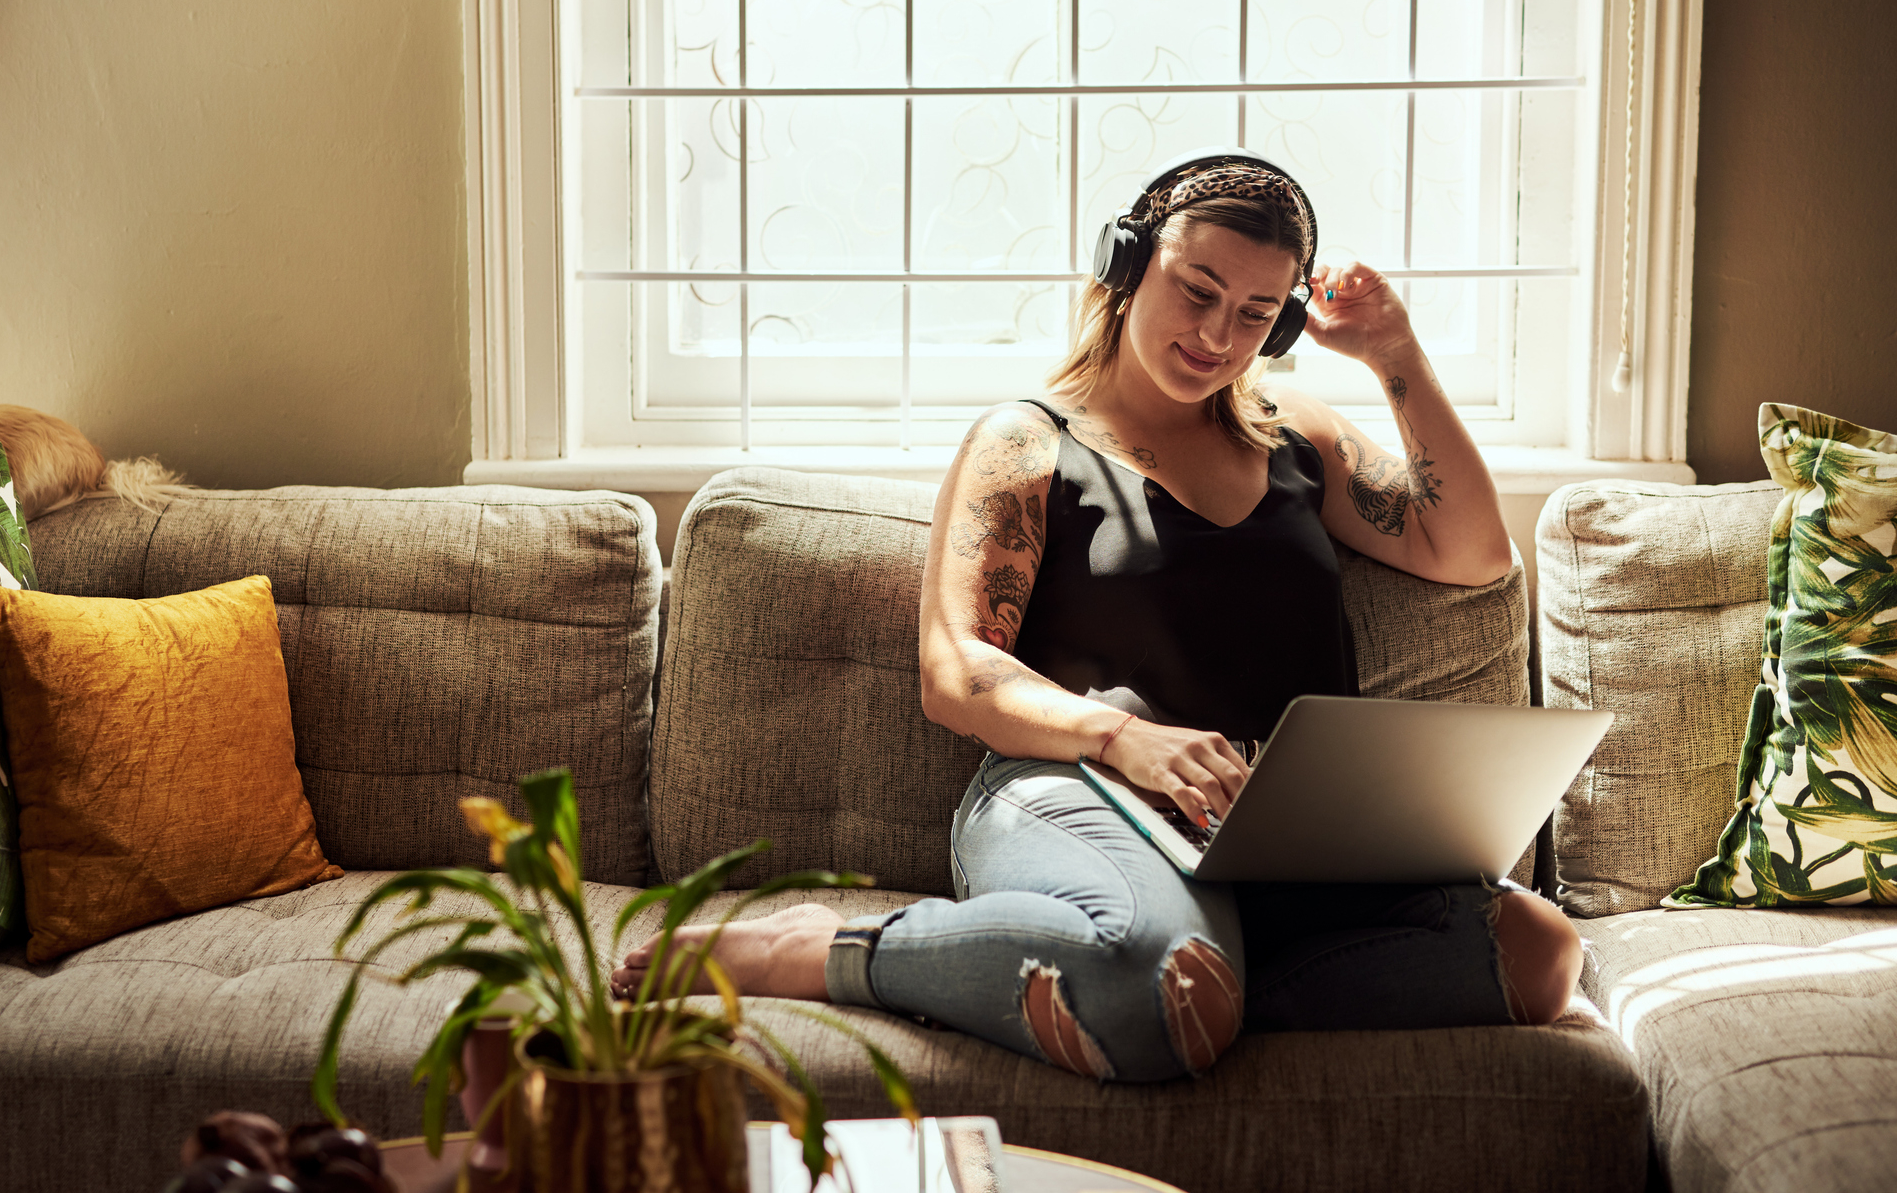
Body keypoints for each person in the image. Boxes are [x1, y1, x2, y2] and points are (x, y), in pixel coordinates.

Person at [613, 156, 1583, 1081]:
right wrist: (1126, 739)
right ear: (1126, 265)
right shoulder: (1027, 440)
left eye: (1253, 313)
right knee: (1155, 974)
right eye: (1196, 289)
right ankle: (820, 951)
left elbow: (1471, 554)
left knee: (1537, 951)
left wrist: (1393, 352)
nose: (1216, 333)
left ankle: (1201, 994)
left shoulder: (1298, 436)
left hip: (1278, 837)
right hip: (1075, 787)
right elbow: (955, 670)